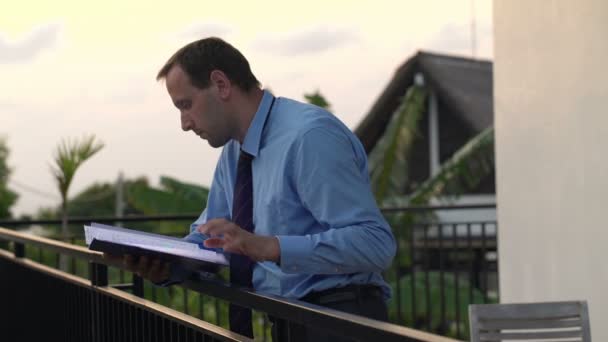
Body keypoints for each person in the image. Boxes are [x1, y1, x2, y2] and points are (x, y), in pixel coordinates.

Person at [119, 37, 396, 341]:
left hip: (342, 322)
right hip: (291, 321)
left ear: (221, 84)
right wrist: (168, 266)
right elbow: (212, 235)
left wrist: (268, 246)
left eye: (186, 105)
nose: (184, 123)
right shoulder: (234, 152)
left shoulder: (309, 136)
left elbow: (376, 243)